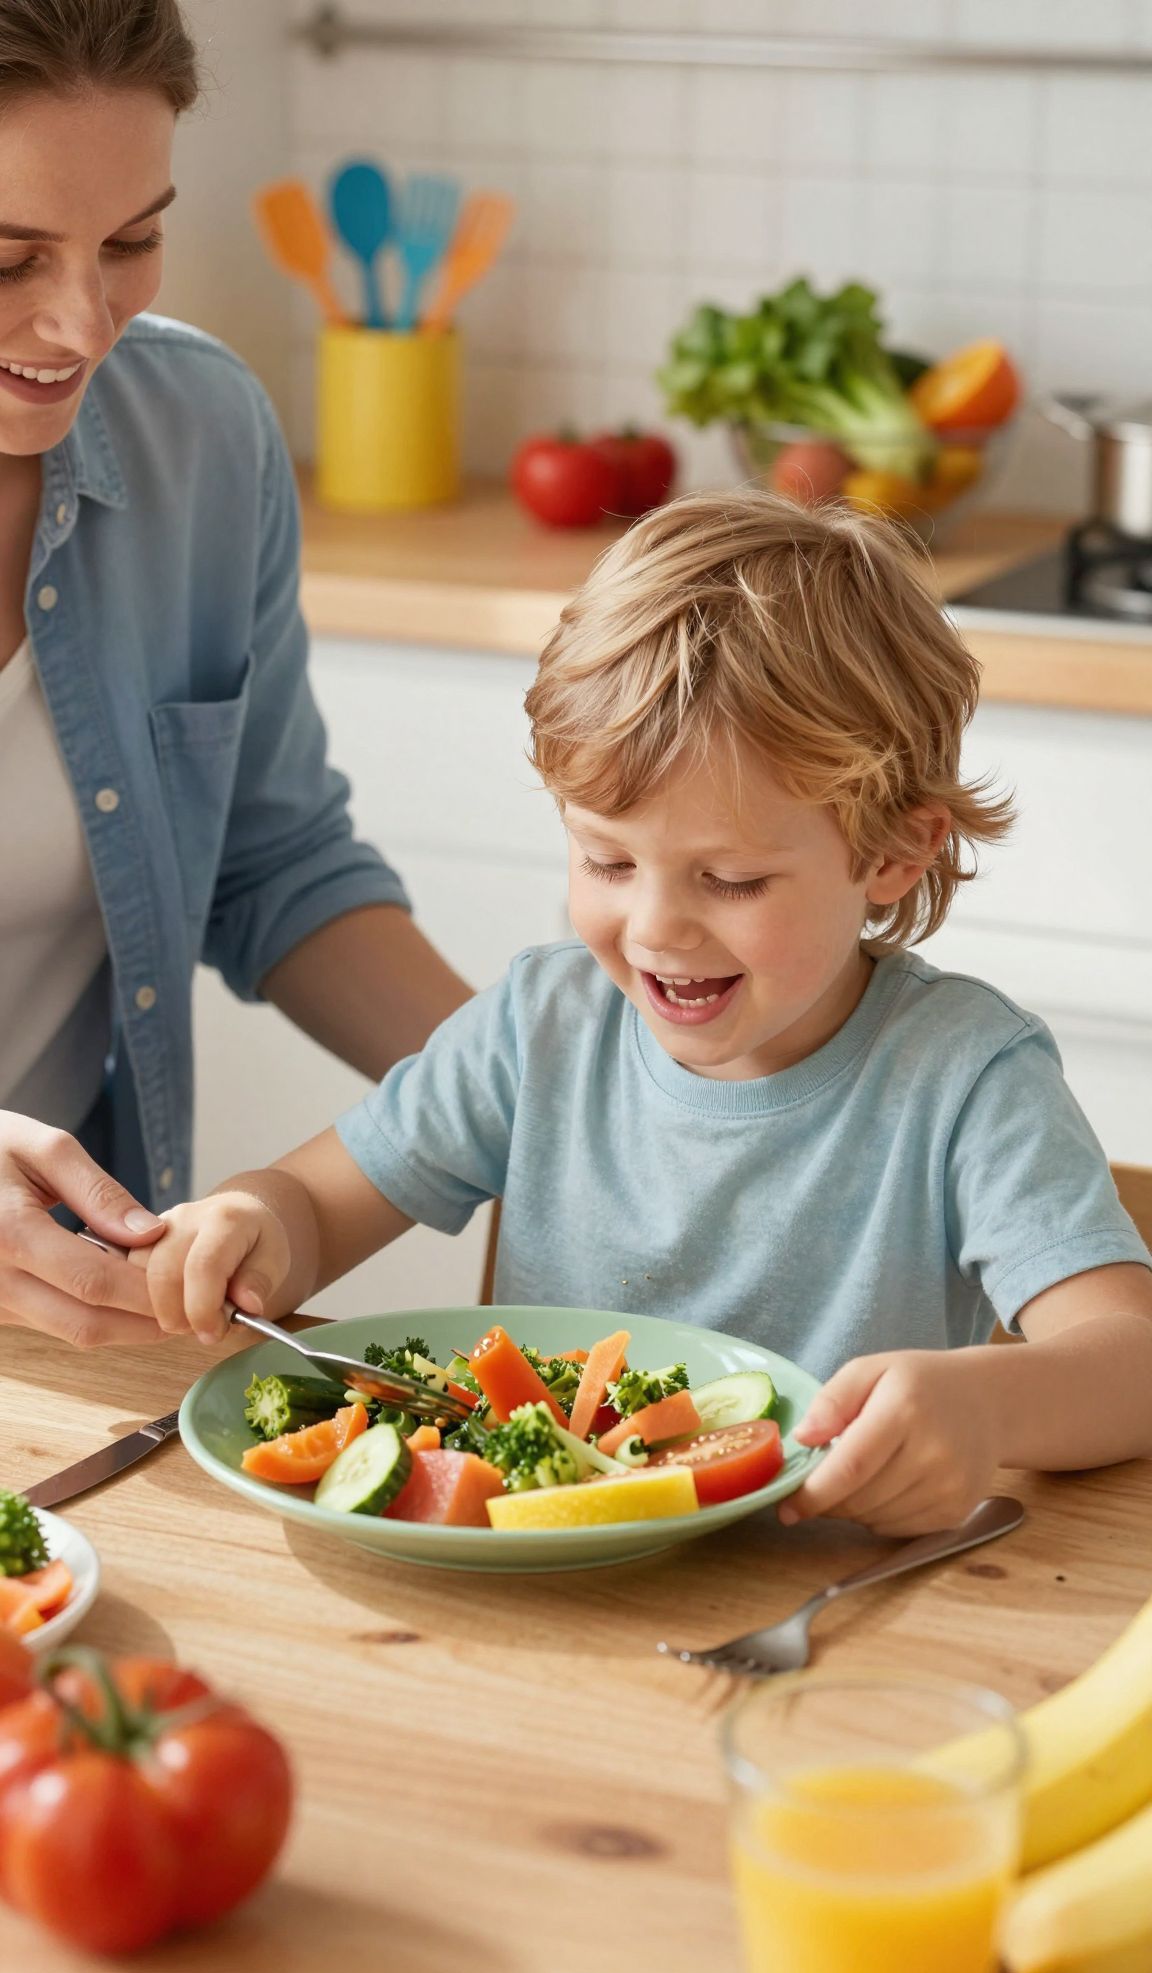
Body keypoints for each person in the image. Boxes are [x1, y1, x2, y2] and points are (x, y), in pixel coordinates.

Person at [128, 492, 1152, 1535]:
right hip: (538, 1579)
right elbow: (312, 1205)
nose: (656, 927)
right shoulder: (540, 1026)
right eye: (606, 860)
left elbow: (1133, 1362)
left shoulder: (969, 1077)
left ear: (892, 852)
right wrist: (251, 1223)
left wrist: (985, 1404)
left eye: (733, 879)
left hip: (824, 1588)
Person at [0, 0, 470, 1351]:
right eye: (8, 258)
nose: (81, 324)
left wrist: (559, 1087)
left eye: (130, 242)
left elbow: (272, 861)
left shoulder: (198, 433)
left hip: (63, 1313)